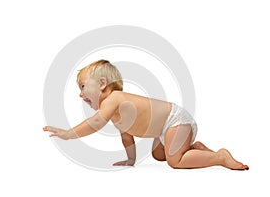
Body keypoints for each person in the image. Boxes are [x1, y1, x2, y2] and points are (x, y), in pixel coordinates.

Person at [43, 59, 249, 170]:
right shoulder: (115, 112)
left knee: (174, 161)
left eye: (83, 86)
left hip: (175, 121)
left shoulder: (114, 98)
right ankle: (195, 148)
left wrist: (69, 133)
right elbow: (126, 136)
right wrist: (130, 160)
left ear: (103, 84)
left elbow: (95, 122)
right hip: (164, 130)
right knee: (158, 155)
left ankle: (220, 157)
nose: (80, 93)